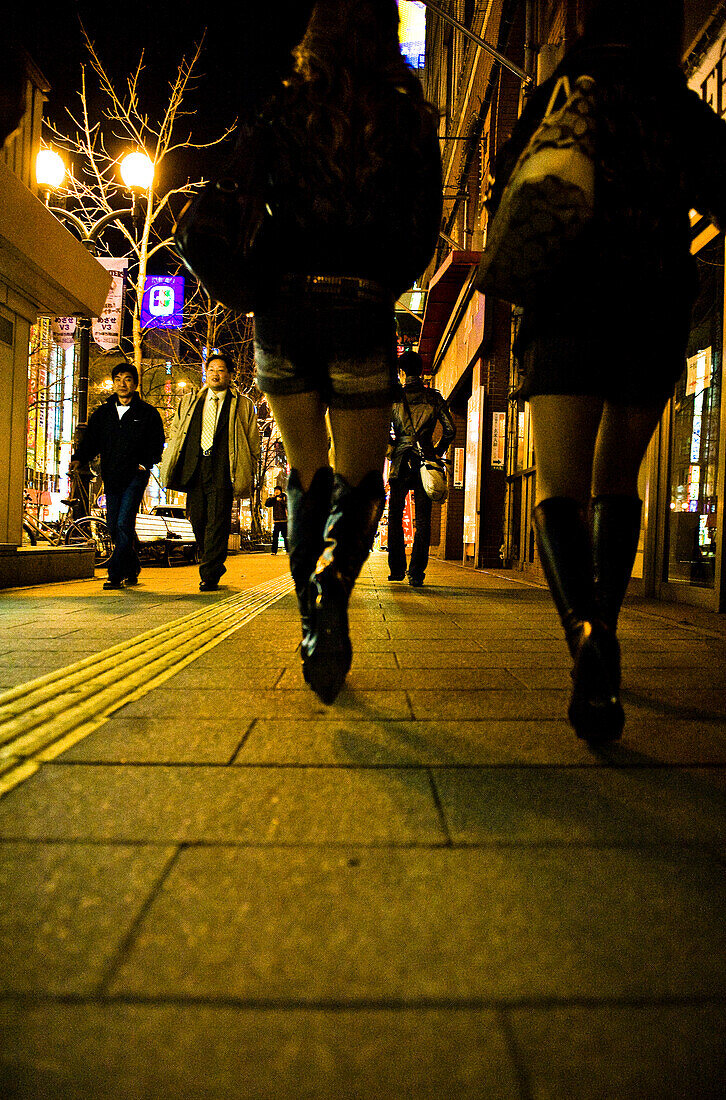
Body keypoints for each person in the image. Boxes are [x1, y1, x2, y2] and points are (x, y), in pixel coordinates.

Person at [491, 0, 726, 744]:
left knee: (561, 488)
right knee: (617, 482)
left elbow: (509, 178)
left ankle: (585, 633)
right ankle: (609, 629)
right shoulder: (674, 102)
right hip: (651, 307)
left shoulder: (564, 85)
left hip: (568, 307)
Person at [249, 0, 442, 703]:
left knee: (308, 474)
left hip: (281, 314)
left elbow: (248, 202)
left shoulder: (282, 108)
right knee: (361, 480)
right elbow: (423, 230)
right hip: (360, 311)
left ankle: (313, 626)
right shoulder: (408, 117)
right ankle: (333, 589)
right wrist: (378, 282)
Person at [159, 354, 260, 591]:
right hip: (195, 467)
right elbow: (177, 431)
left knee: (218, 521)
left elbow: (253, 439)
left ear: (230, 375)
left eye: (222, 370)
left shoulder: (243, 404)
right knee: (198, 519)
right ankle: (210, 559)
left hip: (224, 467)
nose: (216, 374)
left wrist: (250, 464)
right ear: (206, 373)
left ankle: (210, 572)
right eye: (212, 369)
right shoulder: (190, 400)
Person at [70, 360, 165, 590]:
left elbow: (157, 443)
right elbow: (90, 441)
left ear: (135, 384)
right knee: (113, 526)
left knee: (124, 523)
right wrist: (78, 458)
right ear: (113, 383)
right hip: (111, 476)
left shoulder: (147, 413)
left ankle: (115, 573)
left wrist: (146, 462)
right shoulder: (102, 414)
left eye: (128, 380)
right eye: (118, 379)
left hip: (135, 475)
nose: (123, 384)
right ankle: (132, 566)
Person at [387, 349, 455, 588]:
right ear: (422, 371)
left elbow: (383, 431)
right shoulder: (434, 398)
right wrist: (435, 451)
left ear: (403, 372)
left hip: (399, 463)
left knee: (395, 515)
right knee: (424, 520)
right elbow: (450, 430)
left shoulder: (393, 397)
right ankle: (416, 572)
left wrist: (393, 447)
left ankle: (396, 569)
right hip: (426, 461)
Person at [265, 485, 288, 554]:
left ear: (280, 491)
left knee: (285, 536)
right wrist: (274, 498)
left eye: (278, 490)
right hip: (276, 521)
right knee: (275, 537)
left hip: (284, 520)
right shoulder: (274, 499)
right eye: (275, 490)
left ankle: (288, 550)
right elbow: (267, 504)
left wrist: (281, 501)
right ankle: (274, 551)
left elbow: (287, 505)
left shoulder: (284, 497)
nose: (276, 491)